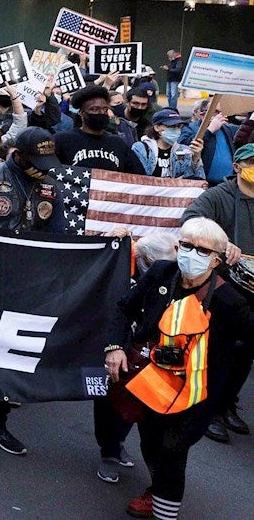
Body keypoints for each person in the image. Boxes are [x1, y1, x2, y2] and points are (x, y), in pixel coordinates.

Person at [106, 218, 253, 520]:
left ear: (216, 259)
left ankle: (165, 511)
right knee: (150, 442)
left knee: (172, 450)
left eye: (202, 250)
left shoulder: (229, 300)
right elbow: (124, 308)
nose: (191, 253)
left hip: (196, 393)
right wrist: (115, 347)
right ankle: (157, 489)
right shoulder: (161, 273)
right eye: (186, 245)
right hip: (151, 379)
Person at [0, 128, 68, 462]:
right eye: (36, 163)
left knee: (12, 357)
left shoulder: (52, 187)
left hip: (28, 286)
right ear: (17, 155)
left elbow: (58, 237)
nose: (42, 170)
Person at [181, 142, 254, 445]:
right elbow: (191, 219)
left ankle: (226, 404)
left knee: (246, 350)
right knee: (220, 349)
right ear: (237, 167)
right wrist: (223, 243)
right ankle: (206, 409)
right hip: (225, 284)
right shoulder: (218, 196)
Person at [54, 85, 146, 175]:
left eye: (105, 109)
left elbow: (139, 177)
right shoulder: (63, 140)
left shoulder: (117, 143)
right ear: (82, 113)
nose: (101, 113)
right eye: (95, 109)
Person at [132, 109, 204, 180]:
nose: (176, 130)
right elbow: (137, 178)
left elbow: (196, 179)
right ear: (157, 127)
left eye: (178, 126)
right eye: (171, 126)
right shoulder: (141, 149)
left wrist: (196, 158)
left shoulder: (184, 151)